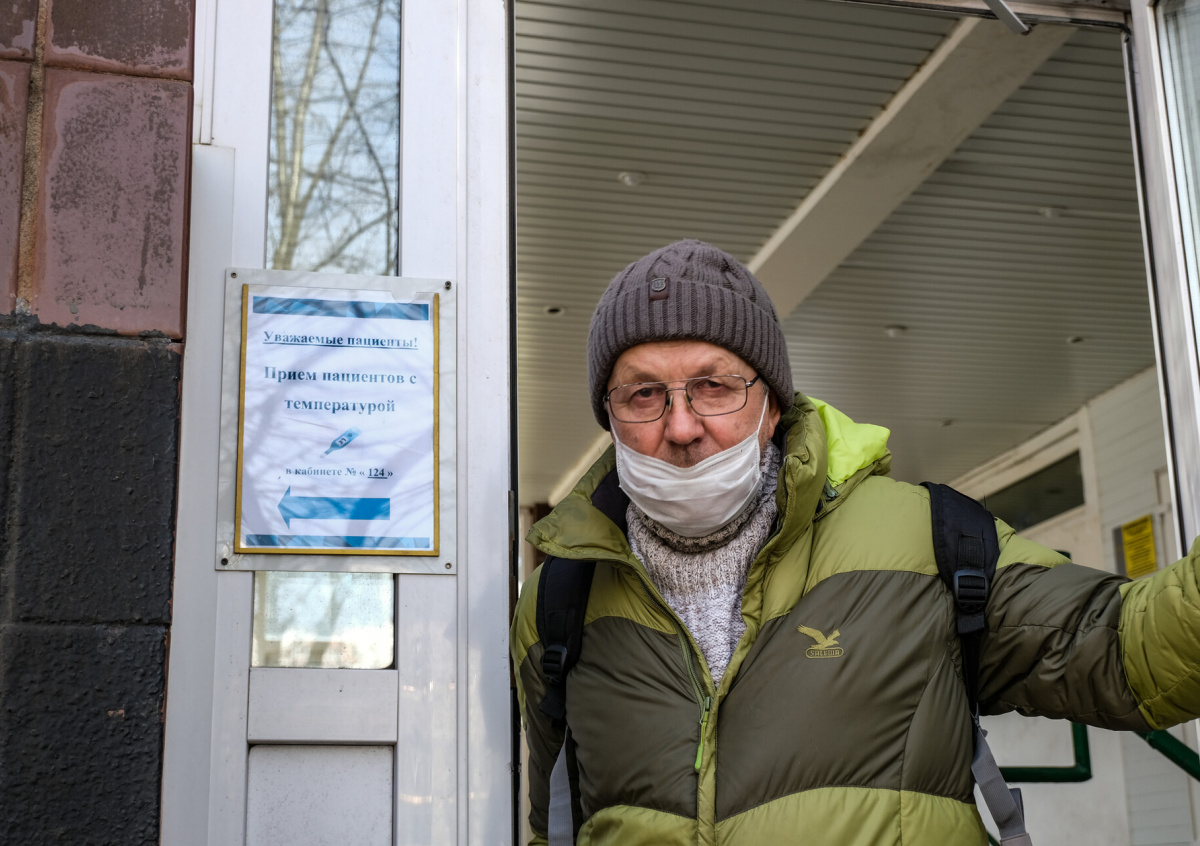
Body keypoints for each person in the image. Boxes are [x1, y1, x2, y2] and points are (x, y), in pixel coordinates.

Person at [510, 239, 1200, 845]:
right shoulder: (557, 603)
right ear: (609, 417)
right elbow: (557, 825)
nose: (682, 426)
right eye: (643, 395)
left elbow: (1128, 651)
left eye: (714, 386)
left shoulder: (928, 544)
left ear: (771, 406)